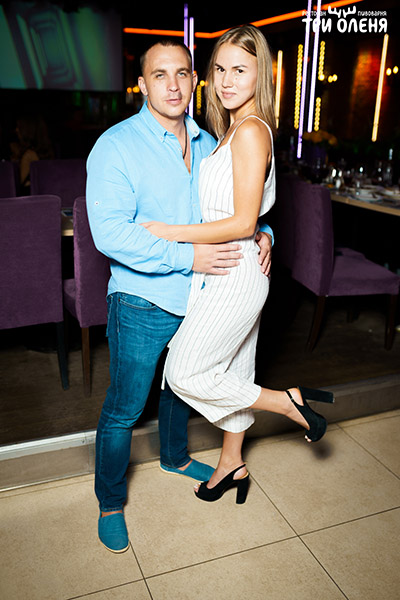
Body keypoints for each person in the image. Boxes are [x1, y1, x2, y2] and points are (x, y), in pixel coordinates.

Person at [86, 38, 274, 553]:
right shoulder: (116, 145)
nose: (173, 85)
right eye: (159, 75)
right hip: (141, 299)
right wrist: (186, 257)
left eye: (182, 73)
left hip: (203, 295)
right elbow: (111, 234)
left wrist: (264, 233)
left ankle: (173, 457)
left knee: (178, 388)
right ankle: (110, 501)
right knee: (125, 409)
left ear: (194, 80)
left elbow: (234, 208)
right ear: (142, 85)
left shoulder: (213, 140)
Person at [143, 25, 334, 505]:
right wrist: (264, 233)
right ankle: (232, 462)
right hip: (233, 265)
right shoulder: (233, 130)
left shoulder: (249, 131)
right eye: (220, 69)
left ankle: (286, 402)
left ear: (260, 75)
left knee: (184, 373)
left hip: (234, 270)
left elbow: (243, 220)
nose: (227, 81)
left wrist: (169, 231)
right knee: (235, 371)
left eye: (240, 70)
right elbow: (251, 215)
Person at [10, 114, 54, 193]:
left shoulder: (29, 155)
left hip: (28, 197)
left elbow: (14, 185)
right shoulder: (43, 152)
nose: (16, 130)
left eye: (19, 127)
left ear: (28, 130)